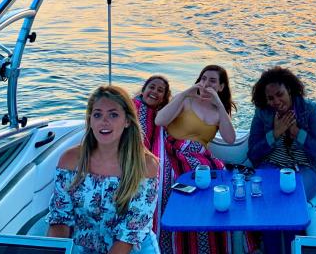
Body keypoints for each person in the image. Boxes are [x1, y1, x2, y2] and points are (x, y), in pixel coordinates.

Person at [48, 85, 160, 254]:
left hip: (131, 248)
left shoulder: (146, 165)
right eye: (97, 115)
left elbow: (131, 231)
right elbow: (60, 217)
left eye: (113, 115)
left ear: (127, 121)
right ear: (90, 120)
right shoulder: (70, 160)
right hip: (82, 247)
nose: (104, 121)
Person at [155, 65, 237, 254]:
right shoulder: (186, 100)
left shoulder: (218, 112)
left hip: (199, 157)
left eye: (212, 81)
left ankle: (205, 241)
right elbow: (160, 121)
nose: (206, 84)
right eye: (203, 79)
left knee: (219, 182)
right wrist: (186, 93)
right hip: (172, 152)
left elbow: (230, 139)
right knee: (171, 183)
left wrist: (218, 103)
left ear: (221, 87)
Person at [248, 66, 316, 200]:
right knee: (259, 194)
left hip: (306, 167)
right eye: (271, 98)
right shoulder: (262, 113)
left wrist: (297, 133)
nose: (276, 101)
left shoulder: (310, 110)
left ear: (289, 90)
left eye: (280, 94)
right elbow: (253, 154)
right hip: (271, 164)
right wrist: (275, 134)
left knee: (293, 197)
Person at [133, 76, 173, 254]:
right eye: (152, 87)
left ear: (164, 98)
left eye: (160, 90)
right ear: (143, 90)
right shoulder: (132, 106)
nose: (154, 92)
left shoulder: (160, 115)